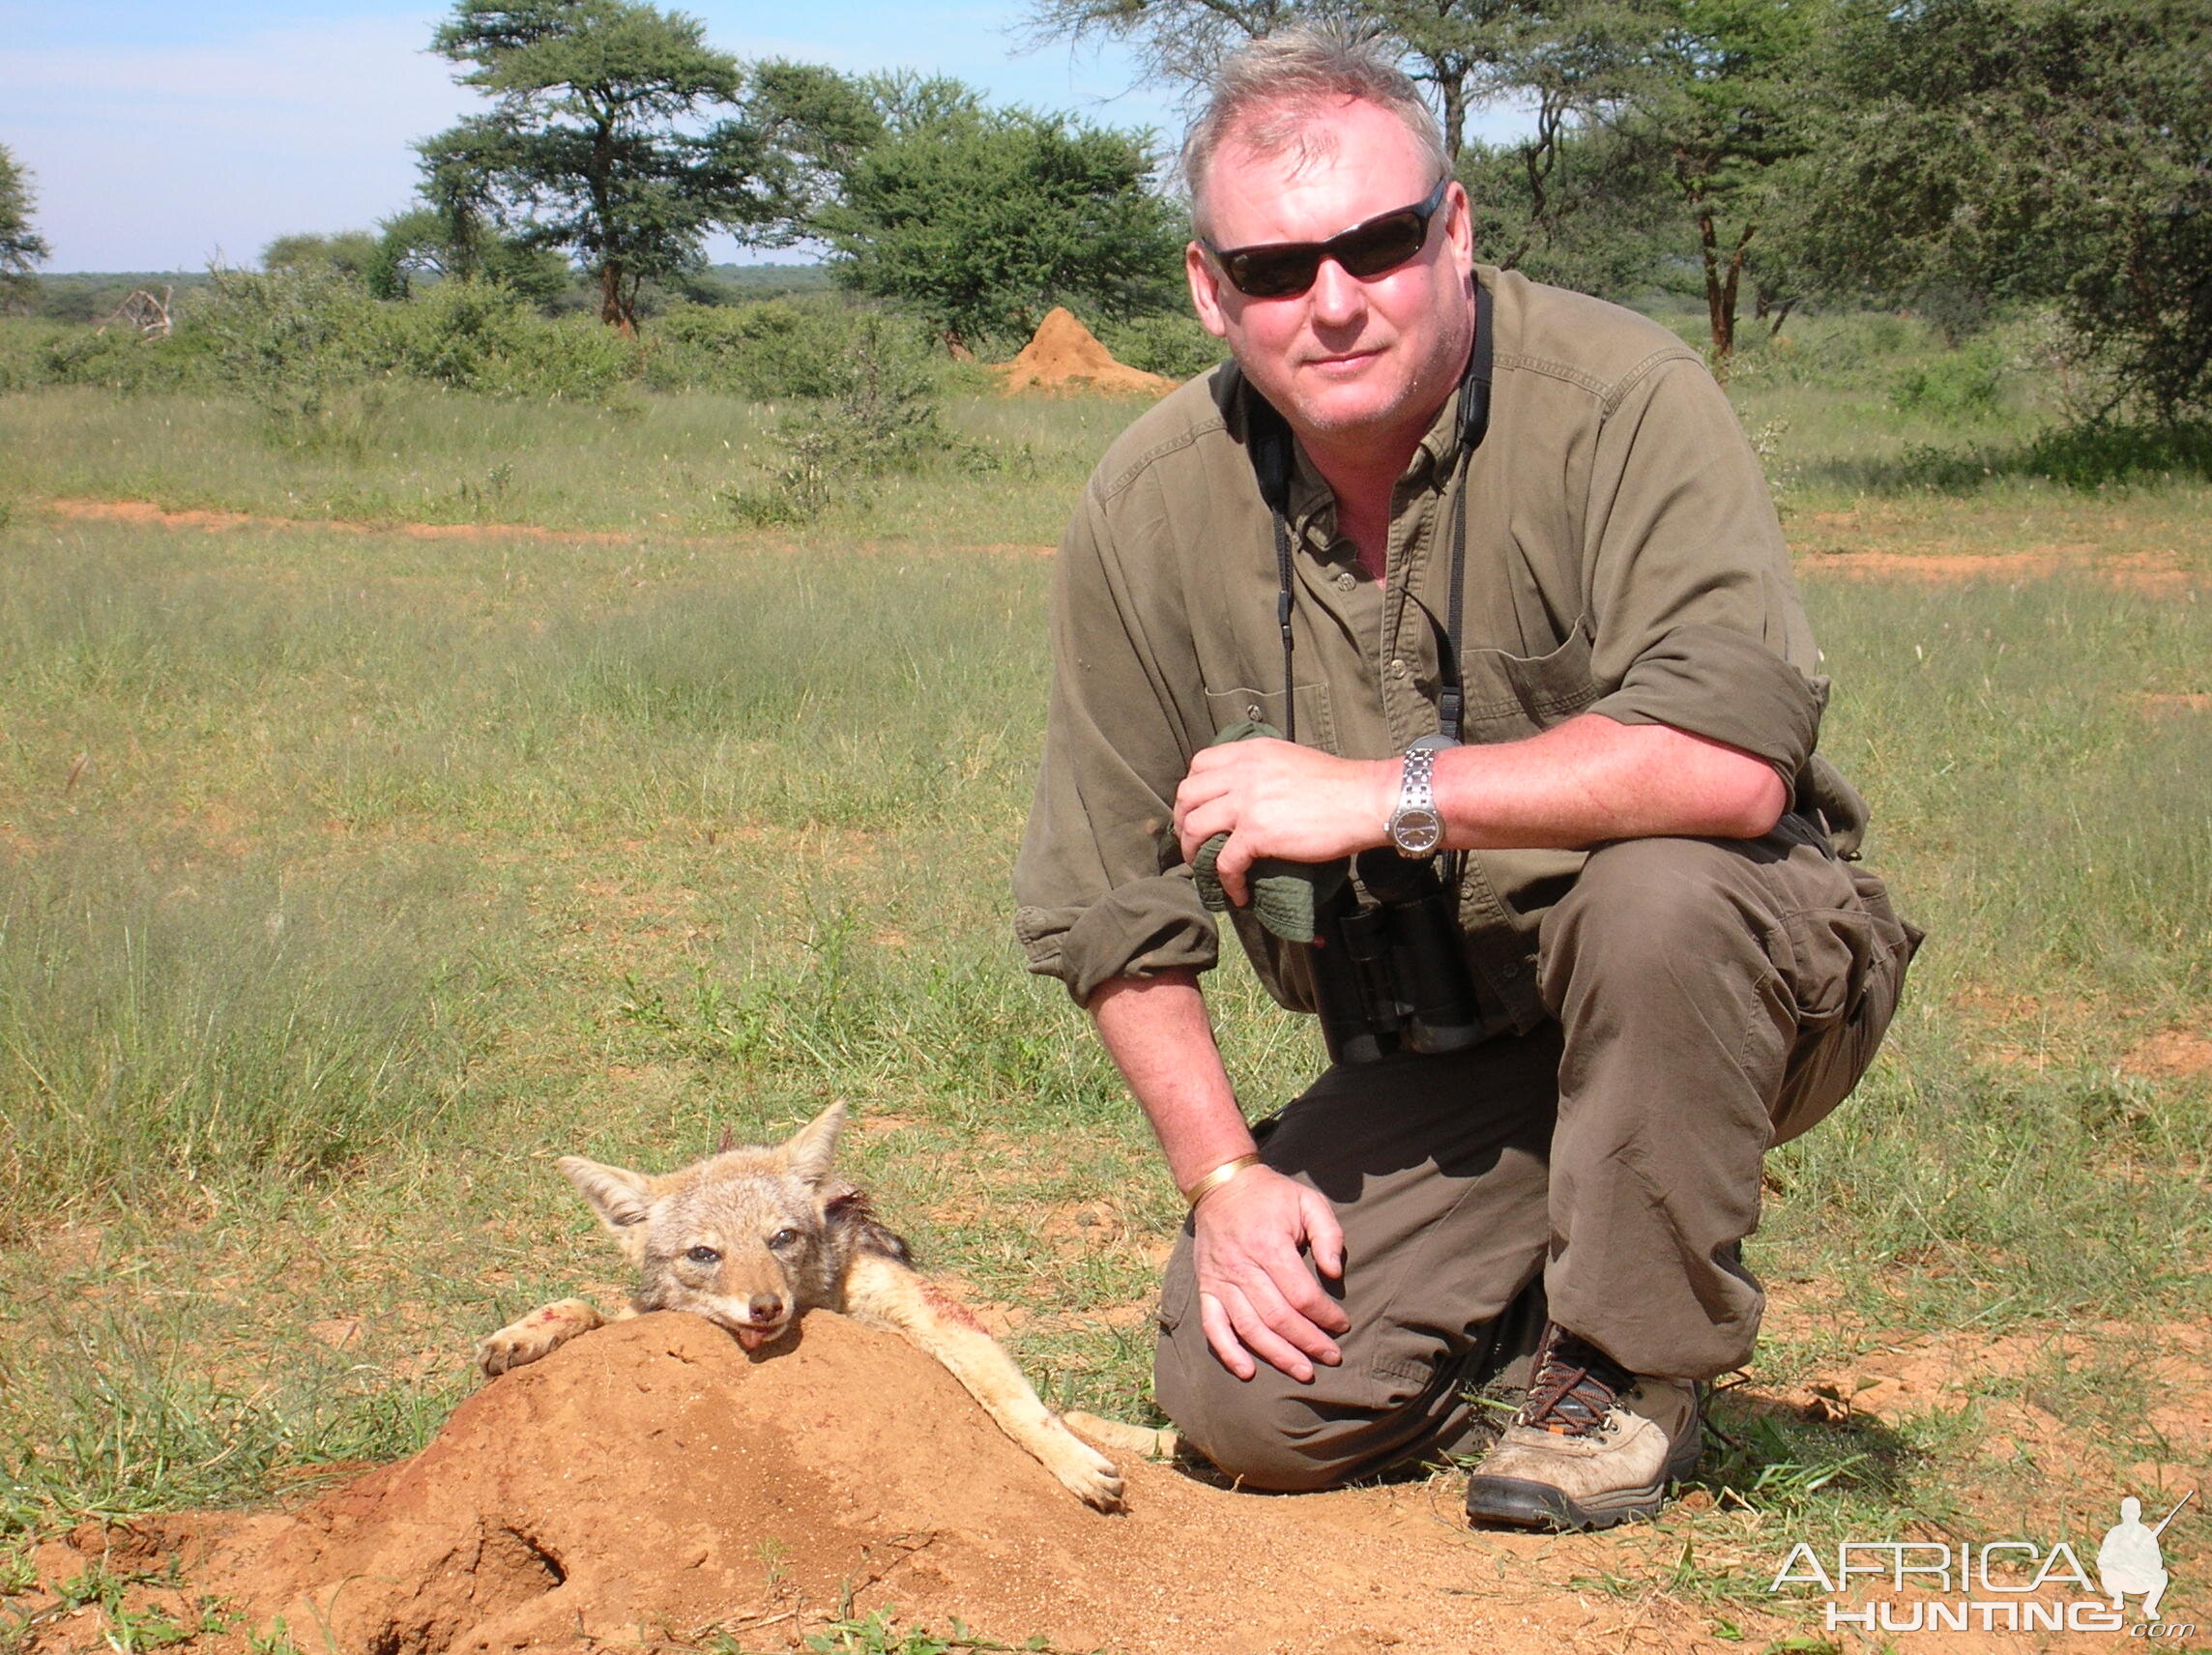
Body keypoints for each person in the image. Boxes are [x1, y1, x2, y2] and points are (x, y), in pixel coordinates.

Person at [1011, 29, 1920, 1532]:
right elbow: (1108, 905)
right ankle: (1534, 1291)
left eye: (1379, 243)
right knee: (1254, 1406)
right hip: (1450, 1041)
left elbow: (1736, 764)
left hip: (1736, 979)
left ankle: (1630, 1365)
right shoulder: (1145, 504)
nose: (1338, 300)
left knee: (1660, 888)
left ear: (1455, 230)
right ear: (1208, 289)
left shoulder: (1623, 397)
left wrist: (1384, 795)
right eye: (1280, 269)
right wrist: (1225, 1181)